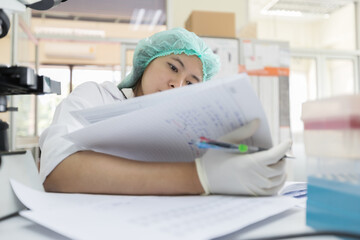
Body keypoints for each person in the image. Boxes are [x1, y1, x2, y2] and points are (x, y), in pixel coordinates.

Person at [39, 28, 291, 196]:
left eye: (191, 83)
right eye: (172, 67)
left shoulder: (191, 128)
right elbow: (56, 173)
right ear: (146, 62)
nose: (178, 85)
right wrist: (199, 177)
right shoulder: (95, 96)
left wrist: (248, 156)